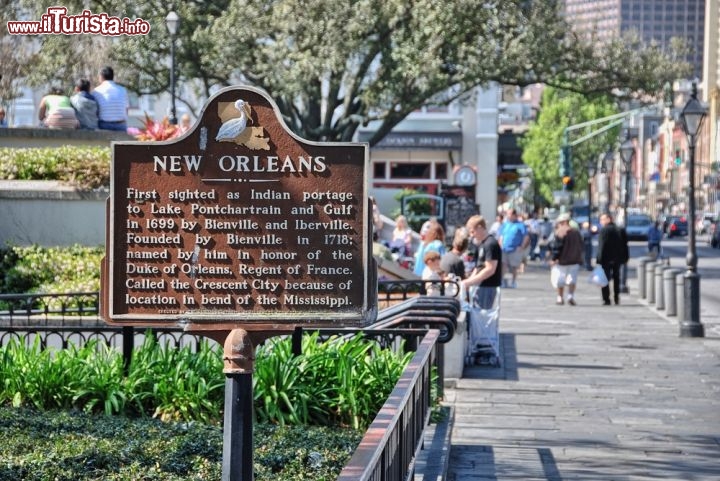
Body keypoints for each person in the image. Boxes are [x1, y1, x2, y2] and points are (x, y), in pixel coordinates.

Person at [461, 215, 502, 309]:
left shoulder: (490, 244)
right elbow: (479, 266)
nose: (472, 235)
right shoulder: (483, 244)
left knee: (481, 315)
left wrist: (469, 282)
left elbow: (490, 269)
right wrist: (469, 281)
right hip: (481, 285)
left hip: (487, 286)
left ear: (480, 227)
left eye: (472, 231)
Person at [549, 213, 584, 306]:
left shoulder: (560, 232)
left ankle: (560, 297)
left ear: (564, 222)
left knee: (559, 280)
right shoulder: (576, 232)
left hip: (562, 261)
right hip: (575, 260)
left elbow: (557, 247)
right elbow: (581, 245)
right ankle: (570, 296)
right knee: (572, 280)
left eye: (560, 222)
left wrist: (554, 258)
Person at [596, 212, 629, 305]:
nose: (601, 222)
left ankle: (606, 299)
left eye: (602, 219)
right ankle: (616, 297)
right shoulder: (620, 230)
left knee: (604, 278)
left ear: (608, 219)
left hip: (606, 258)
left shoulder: (604, 230)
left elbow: (602, 245)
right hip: (618, 258)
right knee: (616, 278)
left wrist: (599, 259)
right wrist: (625, 257)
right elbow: (625, 245)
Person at [497, 208, 530, 288]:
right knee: (503, 265)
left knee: (514, 266)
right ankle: (502, 280)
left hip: (515, 249)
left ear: (514, 215)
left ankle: (513, 281)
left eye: (510, 214)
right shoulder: (504, 225)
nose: (508, 216)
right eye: (507, 214)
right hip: (504, 248)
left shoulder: (520, 225)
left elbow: (526, 236)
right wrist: (500, 245)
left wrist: (522, 246)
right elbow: (501, 236)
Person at [93, 66, 129, 131]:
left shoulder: (96, 91)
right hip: (121, 125)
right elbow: (126, 109)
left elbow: (95, 111)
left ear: (101, 76)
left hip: (104, 125)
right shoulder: (123, 90)